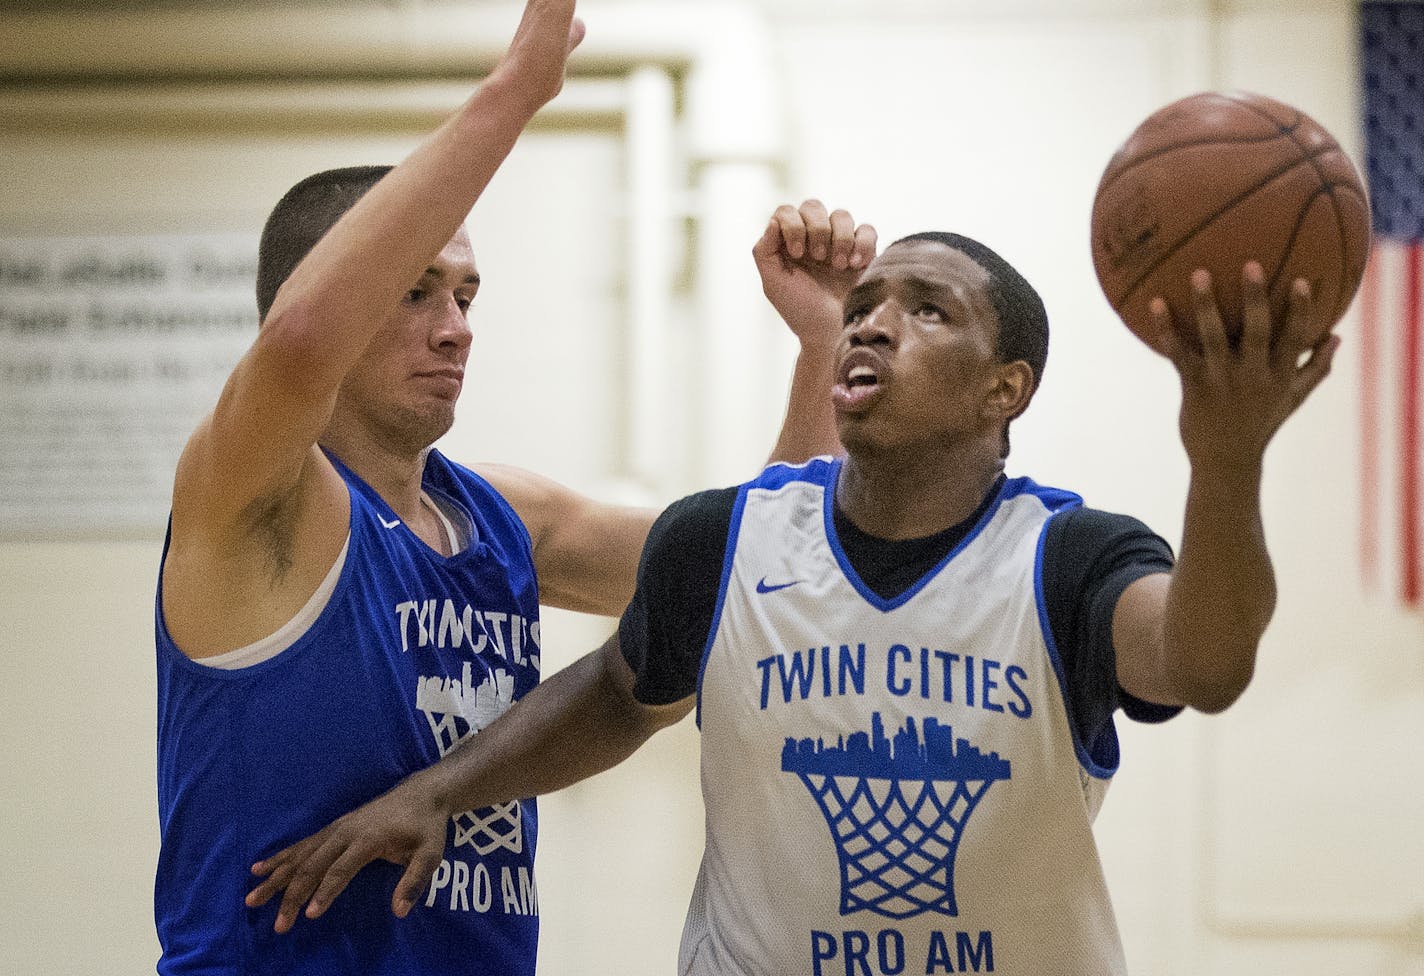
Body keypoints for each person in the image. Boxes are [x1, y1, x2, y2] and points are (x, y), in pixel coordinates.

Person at [246, 218, 1336, 973]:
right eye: (863, 305)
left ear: (1004, 390)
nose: (871, 322)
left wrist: (1224, 459)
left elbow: (1202, 661)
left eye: (925, 312)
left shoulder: (1065, 558)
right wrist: (441, 789)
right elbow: (620, 691)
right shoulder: (723, 537)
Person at [153, 0, 877, 969]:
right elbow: (295, 345)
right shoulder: (252, 504)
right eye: (412, 291)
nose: (454, 327)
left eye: (464, 294)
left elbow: (750, 571)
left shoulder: (499, 517)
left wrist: (820, 341)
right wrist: (512, 94)